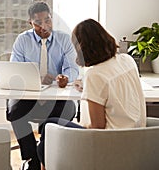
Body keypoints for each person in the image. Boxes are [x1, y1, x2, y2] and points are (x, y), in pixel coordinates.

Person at [36, 18, 147, 170]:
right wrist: (90, 89)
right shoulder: (127, 60)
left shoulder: (95, 75)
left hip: (108, 144)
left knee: (48, 126)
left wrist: (78, 128)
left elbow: (97, 126)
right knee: (47, 135)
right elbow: (114, 89)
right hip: (136, 139)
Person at [7, 1, 79, 170]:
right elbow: (15, 71)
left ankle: (46, 157)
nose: (44, 26)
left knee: (68, 110)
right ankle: (32, 159)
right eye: (38, 23)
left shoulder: (64, 39)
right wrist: (36, 79)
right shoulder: (22, 40)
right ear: (30, 23)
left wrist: (65, 77)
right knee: (14, 110)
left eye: (48, 20)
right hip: (30, 97)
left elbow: (72, 68)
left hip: (56, 98)